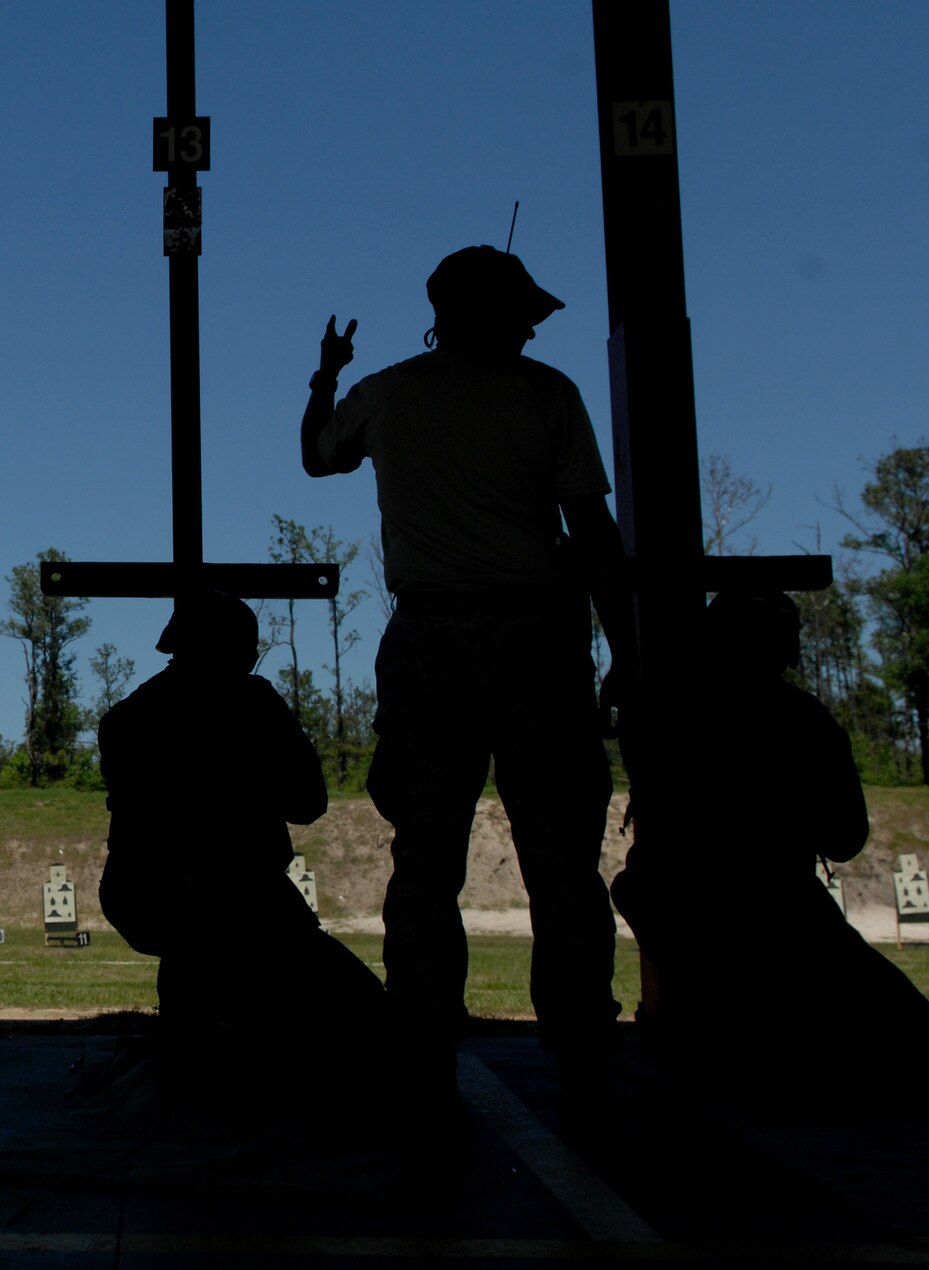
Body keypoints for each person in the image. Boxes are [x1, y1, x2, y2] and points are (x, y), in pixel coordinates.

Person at [299, 246, 635, 1112]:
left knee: (424, 865)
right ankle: (584, 1058)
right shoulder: (547, 393)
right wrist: (628, 653)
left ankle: (420, 1051)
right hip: (536, 643)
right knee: (563, 869)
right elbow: (592, 532)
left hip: (428, 645)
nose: (532, 326)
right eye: (523, 312)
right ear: (496, 314)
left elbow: (317, 456)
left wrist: (324, 376)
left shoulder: (387, 391)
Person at [611, 591, 929, 1089]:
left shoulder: (666, 714)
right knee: (907, 1032)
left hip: (690, 909)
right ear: (786, 650)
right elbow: (845, 839)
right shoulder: (808, 723)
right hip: (780, 912)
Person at [97, 591, 386, 1090]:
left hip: (150, 893)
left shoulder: (126, 717)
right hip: (231, 895)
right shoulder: (252, 704)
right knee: (368, 1025)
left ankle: (208, 1037)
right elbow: (307, 801)